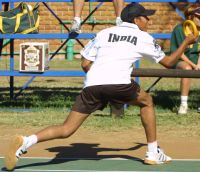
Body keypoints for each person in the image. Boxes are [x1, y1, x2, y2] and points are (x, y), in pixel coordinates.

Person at [5, 3, 197, 171]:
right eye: (146, 17)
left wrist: (101, 80)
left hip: (93, 85)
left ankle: (27, 141)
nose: (149, 20)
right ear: (137, 20)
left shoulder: (103, 33)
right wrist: (186, 42)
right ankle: (153, 153)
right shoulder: (143, 37)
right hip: (119, 83)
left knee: (66, 129)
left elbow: (85, 64)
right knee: (147, 102)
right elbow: (170, 62)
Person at [170, 4, 200, 114]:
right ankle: (183, 104)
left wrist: (198, 64)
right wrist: (193, 65)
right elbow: (180, 54)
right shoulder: (179, 29)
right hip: (179, 60)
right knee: (187, 69)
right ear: (190, 17)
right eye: (199, 17)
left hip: (196, 60)